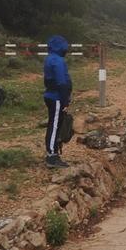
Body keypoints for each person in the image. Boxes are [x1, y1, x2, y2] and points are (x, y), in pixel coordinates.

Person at [43, 35, 73, 169]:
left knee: (54, 124)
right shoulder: (58, 61)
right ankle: (52, 156)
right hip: (56, 97)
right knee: (54, 126)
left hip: (51, 95)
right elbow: (61, 82)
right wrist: (65, 100)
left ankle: (53, 151)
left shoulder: (49, 58)